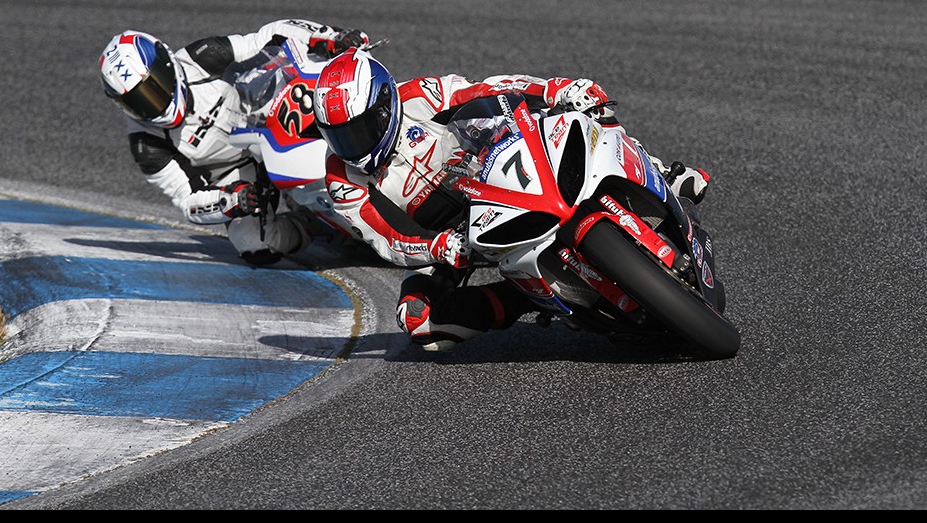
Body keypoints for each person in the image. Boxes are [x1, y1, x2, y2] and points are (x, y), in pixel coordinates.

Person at [310, 48, 711, 350]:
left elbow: (491, 88)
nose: (353, 144)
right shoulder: (341, 179)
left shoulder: (418, 95)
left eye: (361, 128)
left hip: (493, 164)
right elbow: (385, 238)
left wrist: (555, 89)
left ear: (384, 104)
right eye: (340, 135)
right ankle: (525, 295)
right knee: (420, 323)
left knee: (586, 114)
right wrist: (438, 247)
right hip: (453, 235)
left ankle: (660, 174)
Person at [98, 19, 369, 266]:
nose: (154, 104)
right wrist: (231, 200)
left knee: (336, 101)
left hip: (265, 118)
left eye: (153, 86)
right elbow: (187, 202)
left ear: (167, 62)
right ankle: (317, 224)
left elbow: (267, 37)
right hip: (238, 176)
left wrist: (330, 38)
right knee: (257, 247)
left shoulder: (201, 57)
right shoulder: (146, 144)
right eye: (138, 102)